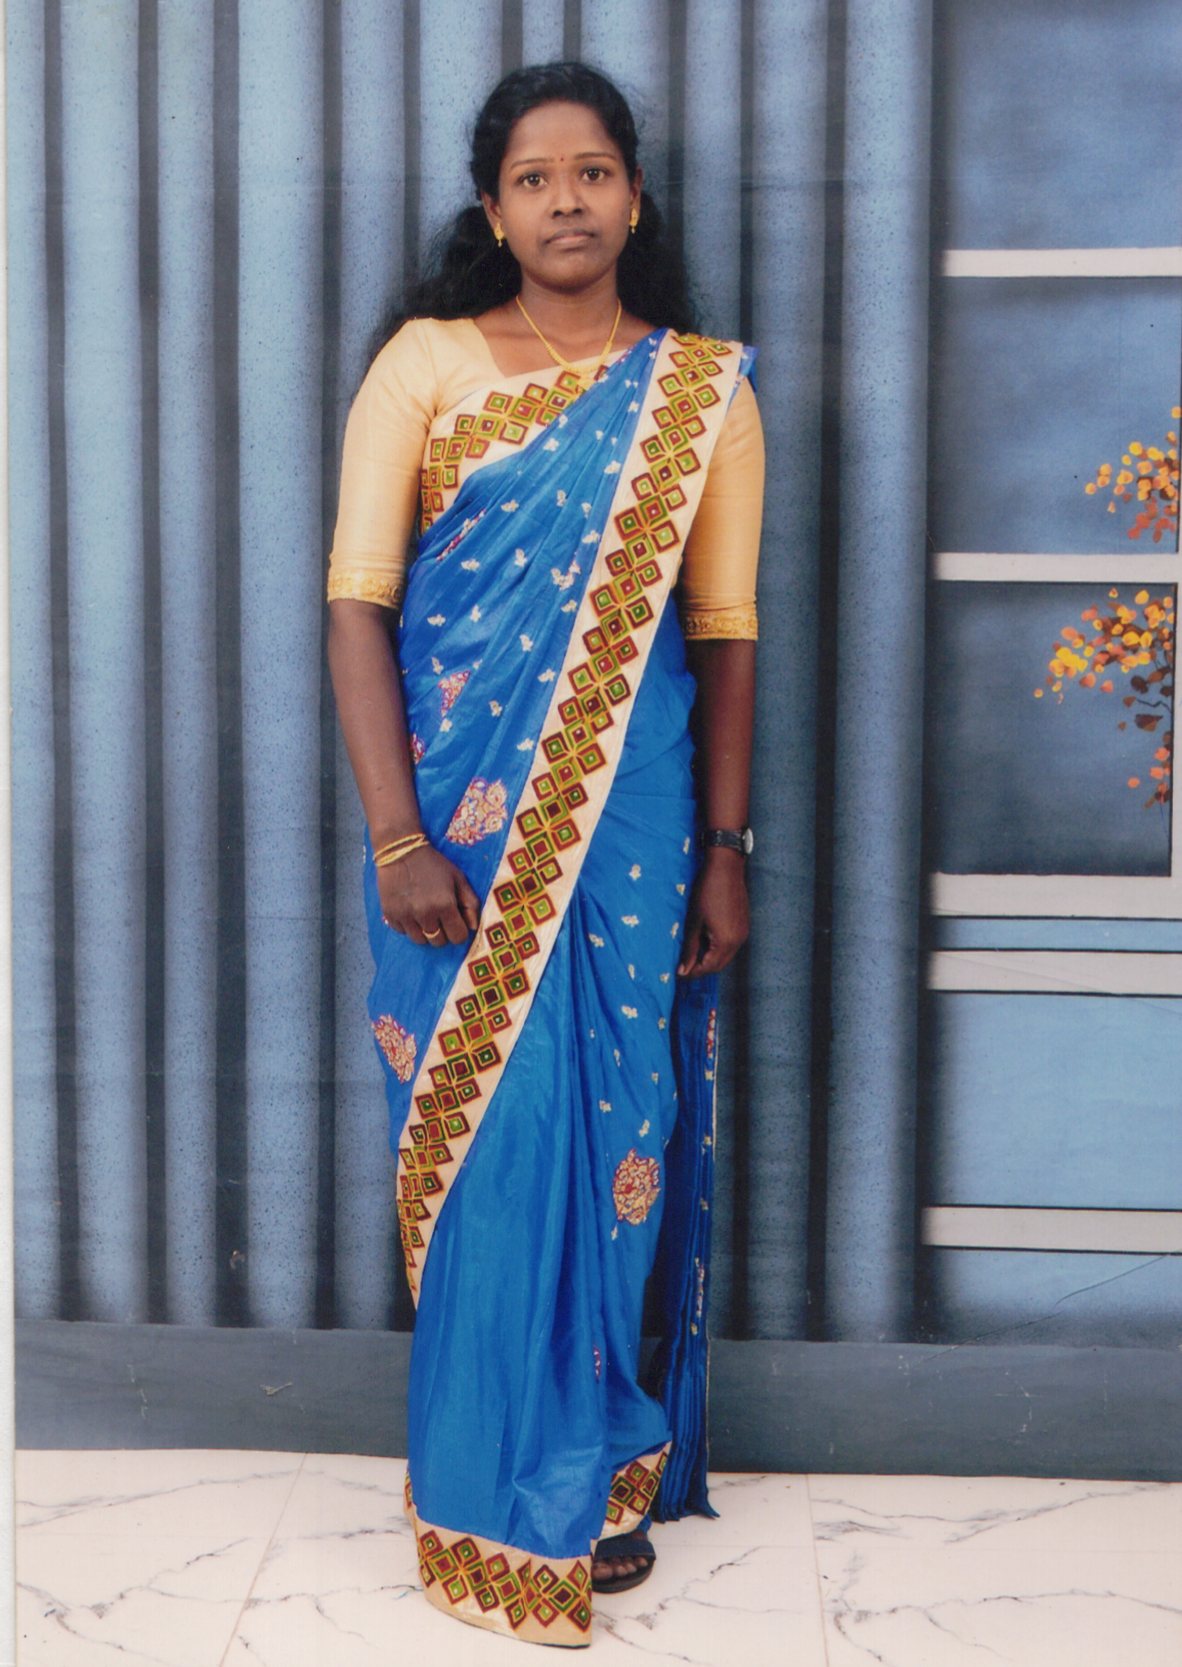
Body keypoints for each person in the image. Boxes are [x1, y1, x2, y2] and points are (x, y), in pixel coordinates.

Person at [326, 61, 764, 1648]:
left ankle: (601, 1463)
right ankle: (485, 1490)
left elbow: (724, 636)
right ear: (493, 209)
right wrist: (396, 835)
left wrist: (723, 848)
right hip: (451, 831)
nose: (565, 199)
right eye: (533, 177)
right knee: (492, 1145)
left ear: (633, 198)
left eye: (591, 172)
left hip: (634, 826)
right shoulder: (427, 364)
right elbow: (358, 605)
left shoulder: (700, 396)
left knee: (616, 1124)